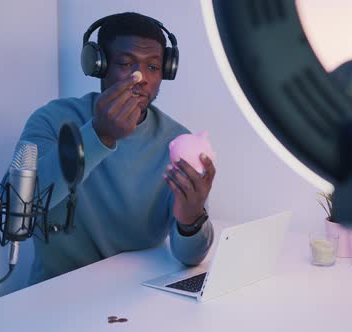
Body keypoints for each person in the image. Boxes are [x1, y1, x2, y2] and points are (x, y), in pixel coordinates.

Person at [18, 12, 216, 285]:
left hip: (133, 295)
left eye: (154, 67)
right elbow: (21, 207)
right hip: (57, 293)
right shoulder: (52, 120)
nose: (141, 78)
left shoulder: (176, 141)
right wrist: (99, 135)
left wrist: (191, 220)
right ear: (98, 65)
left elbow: (190, 258)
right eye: (125, 63)